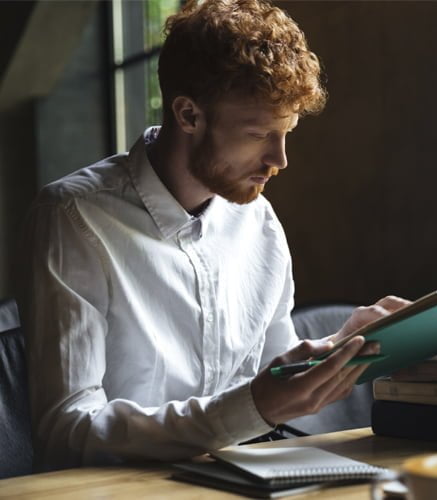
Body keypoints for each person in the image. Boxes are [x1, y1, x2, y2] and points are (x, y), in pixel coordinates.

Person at [19, 0, 409, 471]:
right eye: (259, 133)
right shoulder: (73, 216)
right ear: (188, 115)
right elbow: (68, 432)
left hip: (243, 480)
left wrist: (340, 350)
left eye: (287, 132)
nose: (279, 160)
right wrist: (248, 409)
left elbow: (272, 382)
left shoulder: (258, 221)